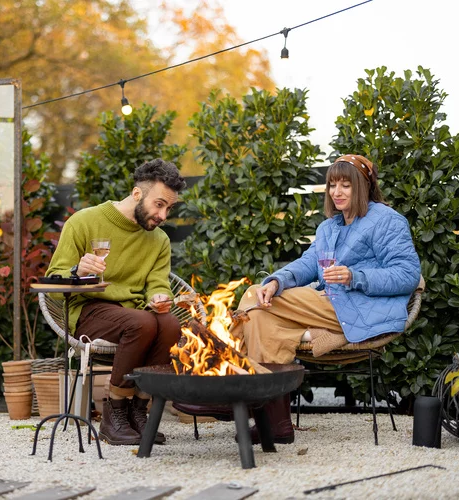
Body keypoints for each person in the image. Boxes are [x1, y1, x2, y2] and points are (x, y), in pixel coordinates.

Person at [175, 154, 421, 445]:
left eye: (346, 185)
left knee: (253, 296)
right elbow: (307, 264)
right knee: (261, 318)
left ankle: (230, 388)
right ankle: (276, 423)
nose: (337, 192)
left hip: (363, 307)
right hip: (329, 304)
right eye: (332, 185)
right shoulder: (329, 227)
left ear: (364, 187)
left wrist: (355, 276)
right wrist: (277, 281)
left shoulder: (387, 221)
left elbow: (408, 274)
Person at [46, 158, 186, 446]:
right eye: (159, 204)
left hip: (134, 315)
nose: (163, 215)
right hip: (88, 310)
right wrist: (77, 271)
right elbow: (53, 284)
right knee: (142, 323)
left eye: (169, 208)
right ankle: (115, 413)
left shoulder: (158, 240)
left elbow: (158, 282)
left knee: (170, 324)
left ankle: (138, 411)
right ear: (137, 194)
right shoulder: (84, 222)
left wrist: (160, 296)